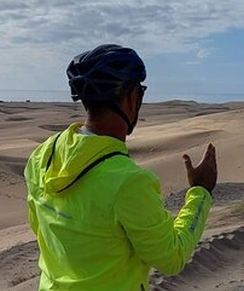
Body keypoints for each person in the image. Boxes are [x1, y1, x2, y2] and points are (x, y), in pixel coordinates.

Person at [24, 44, 218, 290]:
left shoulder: (43, 155)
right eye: (140, 91)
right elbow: (172, 257)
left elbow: (39, 228)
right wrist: (201, 192)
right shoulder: (129, 182)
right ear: (131, 97)